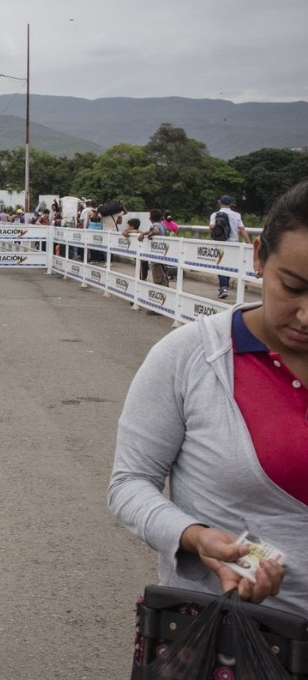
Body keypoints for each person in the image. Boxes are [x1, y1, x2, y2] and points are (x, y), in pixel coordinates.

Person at [109, 178, 308, 620]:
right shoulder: (189, 356)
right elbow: (128, 485)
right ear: (258, 257)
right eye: (292, 286)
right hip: (227, 641)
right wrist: (194, 535)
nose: (306, 316)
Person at [210, 194, 252, 300]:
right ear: (230, 204)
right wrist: (249, 243)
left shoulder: (215, 214)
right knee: (230, 265)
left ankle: (223, 287)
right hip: (234, 244)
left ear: (220, 202)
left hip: (221, 243)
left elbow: (211, 227)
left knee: (221, 264)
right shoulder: (236, 215)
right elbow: (242, 229)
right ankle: (224, 286)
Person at [139, 209, 170, 286]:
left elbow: (155, 230)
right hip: (163, 254)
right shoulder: (163, 225)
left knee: (159, 280)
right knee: (164, 277)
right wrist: (145, 233)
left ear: (150, 218)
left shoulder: (154, 225)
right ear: (161, 217)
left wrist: (149, 235)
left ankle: (163, 295)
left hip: (156, 257)